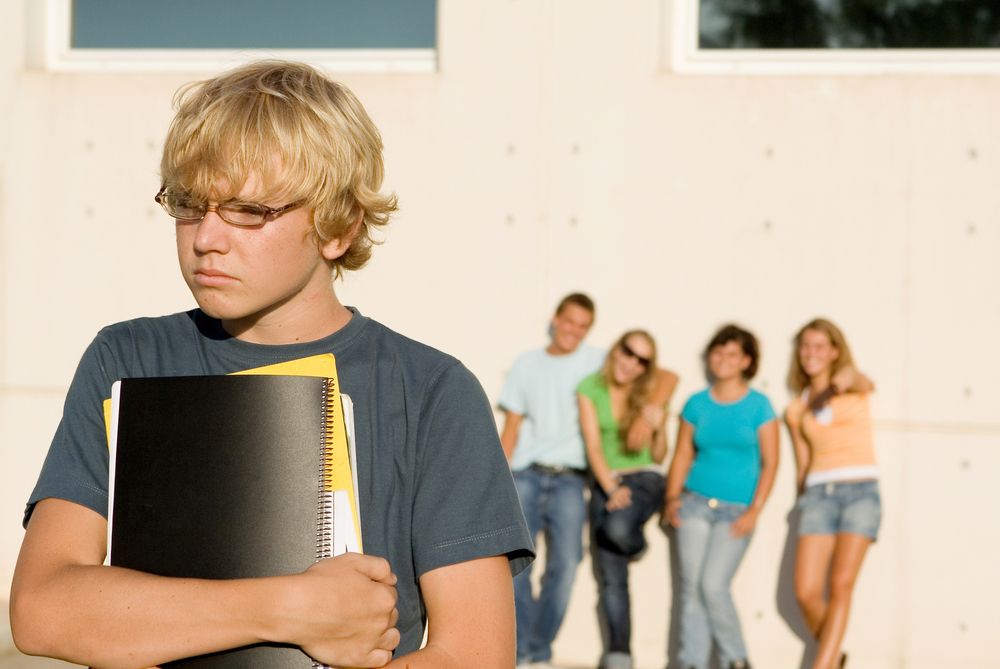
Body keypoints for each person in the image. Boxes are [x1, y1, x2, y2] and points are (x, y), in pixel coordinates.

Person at [9, 60, 532, 669]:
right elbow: (41, 611)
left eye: (249, 211)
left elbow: (476, 653)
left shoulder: (430, 391)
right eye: (188, 205)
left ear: (339, 227)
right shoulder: (127, 360)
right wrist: (288, 608)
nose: (206, 237)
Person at [500, 295, 672, 668]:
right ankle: (522, 651)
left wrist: (648, 419)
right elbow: (511, 429)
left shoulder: (601, 361)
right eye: (569, 321)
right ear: (556, 318)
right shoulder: (527, 363)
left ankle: (539, 648)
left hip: (571, 481)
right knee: (518, 565)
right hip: (526, 474)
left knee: (566, 564)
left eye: (582, 325)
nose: (573, 331)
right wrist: (496, 483)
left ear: (588, 330)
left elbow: (666, 376)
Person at [664, 324, 779, 669]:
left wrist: (755, 511)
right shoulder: (696, 403)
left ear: (746, 361)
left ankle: (736, 659)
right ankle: (691, 662)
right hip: (694, 504)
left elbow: (771, 462)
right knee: (691, 587)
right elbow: (683, 454)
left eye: (732, 353)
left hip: (736, 511)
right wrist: (672, 498)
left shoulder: (760, 406)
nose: (723, 359)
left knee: (713, 586)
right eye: (718, 351)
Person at [577, 330, 677, 669]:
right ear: (616, 349)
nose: (631, 362)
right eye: (628, 352)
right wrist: (610, 486)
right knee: (610, 576)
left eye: (641, 360)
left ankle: (636, 545)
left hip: (645, 477)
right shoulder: (590, 388)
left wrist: (660, 426)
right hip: (608, 480)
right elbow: (592, 446)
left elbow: (660, 455)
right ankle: (620, 655)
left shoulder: (649, 392)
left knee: (617, 530)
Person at [784, 319, 878, 669]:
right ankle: (834, 658)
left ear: (834, 351)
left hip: (861, 491)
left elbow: (856, 378)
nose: (811, 353)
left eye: (820, 346)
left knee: (841, 585)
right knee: (806, 591)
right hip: (819, 495)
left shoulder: (853, 385)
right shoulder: (797, 408)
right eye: (806, 346)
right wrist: (801, 500)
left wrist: (833, 386)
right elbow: (803, 464)